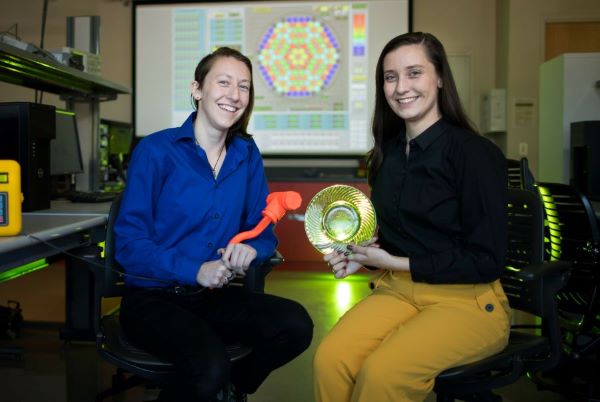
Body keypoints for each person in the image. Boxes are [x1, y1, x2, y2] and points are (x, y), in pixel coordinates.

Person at [313, 32, 509, 402]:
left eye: (414, 73)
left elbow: (487, 258)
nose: (401, 87)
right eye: (390, 77)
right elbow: (397, 238)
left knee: (383, 375)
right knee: (330, 359)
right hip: (398, 290)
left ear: (439, 77)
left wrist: (395, 261)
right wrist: (362, 257)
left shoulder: (473, 153)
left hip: (467, 302)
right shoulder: (386, 154)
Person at [114, 47, 313, 402]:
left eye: (244, 86)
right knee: (209, 367)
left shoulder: (246, 154)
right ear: (197, 89)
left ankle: (231, 388)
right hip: (153, 300)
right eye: (223, 82)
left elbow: (263, 228)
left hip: (210, 298)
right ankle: (212, 382)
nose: (234, 95)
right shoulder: (156, 151)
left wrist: (254, 247)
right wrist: (195, 270)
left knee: (295, 326)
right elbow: (129, 244)